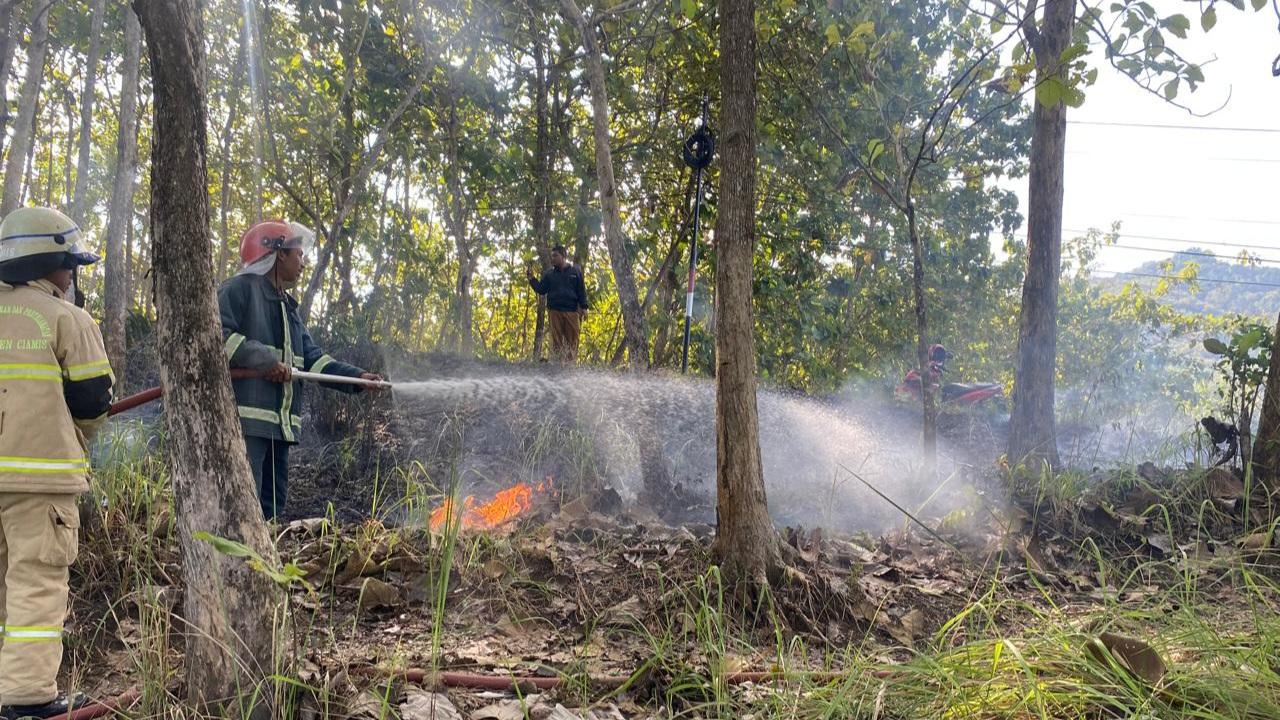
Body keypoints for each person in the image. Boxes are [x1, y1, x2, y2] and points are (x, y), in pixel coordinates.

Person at [0, 207, 113, 719]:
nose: (72, 275)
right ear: (49, 264)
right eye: (69, 264)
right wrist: (76, 437)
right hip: (39, 482)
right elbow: (93, 400)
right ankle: (26, 702)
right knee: (36, 585)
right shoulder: (66, 317)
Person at [219, 221, 383, 520]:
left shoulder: (288, 309)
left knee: (271, 509)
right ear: (279, 253)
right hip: (247, 425)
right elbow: (217, 336)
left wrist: (356, 378)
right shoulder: (238, 290)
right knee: (244, 507)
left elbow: (313, 360)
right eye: (299, 255)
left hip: (278, 428)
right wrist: (264, 359)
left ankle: (263, 563)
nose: (303, 264)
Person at [526, 245, 589, 363]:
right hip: (554, 311)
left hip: (571, 311)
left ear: (563, 256)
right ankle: (556, 366)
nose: (552, 258)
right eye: (552, 256)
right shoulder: (549, 274)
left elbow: (581, 290)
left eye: (555, 256)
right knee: (556, 341)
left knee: (572, 341)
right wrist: (531, 279)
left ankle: (570, 367)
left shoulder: (575, 272)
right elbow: (541, 289)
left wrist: (584, 307)